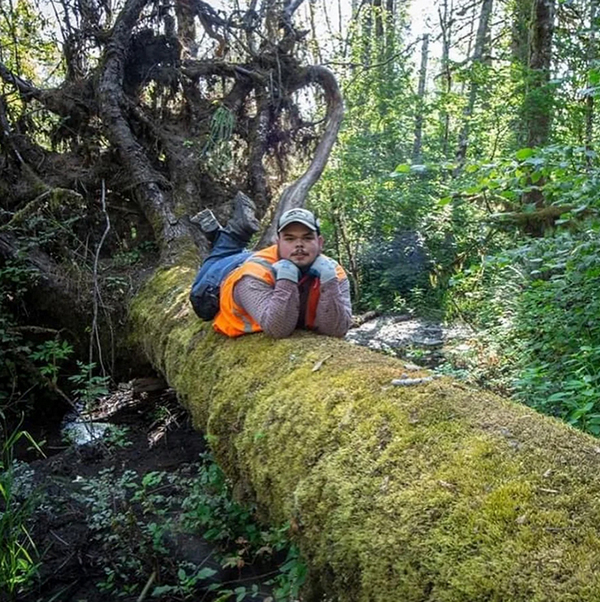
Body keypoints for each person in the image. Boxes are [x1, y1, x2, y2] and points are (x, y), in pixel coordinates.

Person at [190, 193, 352, 338]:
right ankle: (232, 236)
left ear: (320, 242)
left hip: (261, 257)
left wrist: (329, 281)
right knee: (201, 297)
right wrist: (287, 277)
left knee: (229, 251)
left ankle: (223, 235)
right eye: (290, 239)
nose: (299, 245)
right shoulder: (252, 275)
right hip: (220, 278)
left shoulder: (333, 272)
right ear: (277, 242)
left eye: (307, 238)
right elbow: (278, 329)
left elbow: (336, 330)